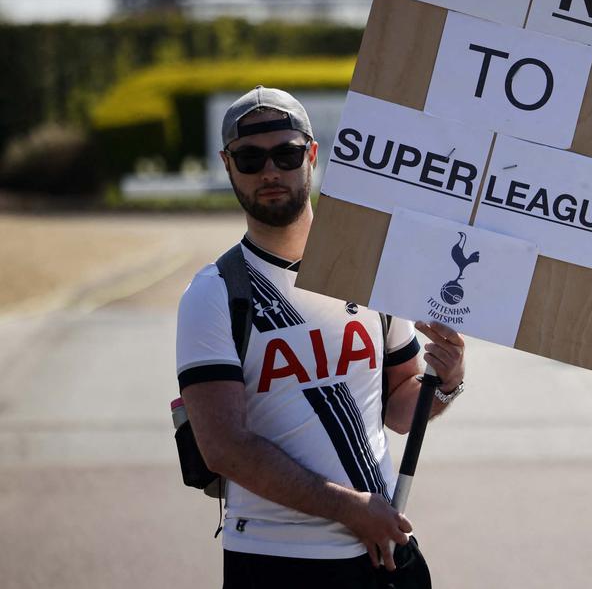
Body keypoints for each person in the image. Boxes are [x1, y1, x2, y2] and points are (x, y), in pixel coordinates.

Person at [175, 86, 466, 588]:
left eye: (286, 154)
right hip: (274, 559)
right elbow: (223, 446)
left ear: (311, 153)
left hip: (384, 552)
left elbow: (399, 404)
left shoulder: (372, 271)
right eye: (250, 157)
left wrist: (445, 381)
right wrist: (350, 508)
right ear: (228, 164)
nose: (270, 171)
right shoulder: (213, 293)